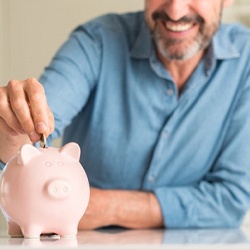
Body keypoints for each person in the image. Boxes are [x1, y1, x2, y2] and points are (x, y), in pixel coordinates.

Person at [0, 0, 250, 229]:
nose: (175, 11)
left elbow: (231, 200)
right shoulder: (96, 41)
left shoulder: (245, 61)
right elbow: (31, 137)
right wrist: (11, 130)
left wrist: (106, 207)